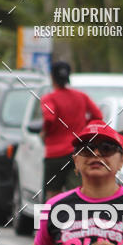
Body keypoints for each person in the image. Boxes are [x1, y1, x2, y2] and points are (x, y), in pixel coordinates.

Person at [41, 60, 103, 201]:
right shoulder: (81, 96)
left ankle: (53, 215)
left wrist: (44, 133)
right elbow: (98, 116)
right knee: (78, 193)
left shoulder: (49, 98)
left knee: (53, 195)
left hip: (55, 155)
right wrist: (84, 126)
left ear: (52, 77)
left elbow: (49, 118)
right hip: (78, 152)